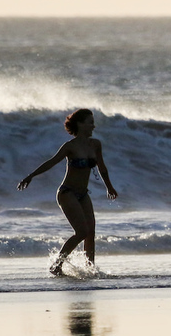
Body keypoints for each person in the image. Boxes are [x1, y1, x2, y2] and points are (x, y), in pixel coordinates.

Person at [17, 109, 118, 275]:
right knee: (82, 232)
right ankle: (57, 265)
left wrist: (109, 187)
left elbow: (102, 168)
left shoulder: (95, 144)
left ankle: (90, 269)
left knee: (91, 233)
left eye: (93, 122)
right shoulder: (70, 147)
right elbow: (51, 162)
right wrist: (30, 176)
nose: (93, 125)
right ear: (79, 124)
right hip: (67, 193)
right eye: (90, 122)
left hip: (83, 194)